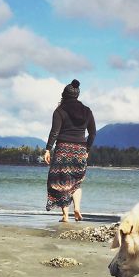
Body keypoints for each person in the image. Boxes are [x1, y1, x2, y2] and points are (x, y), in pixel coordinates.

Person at [44, 79, 96, 222]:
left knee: (62, 182)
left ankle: (65, 216)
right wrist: (87, 149)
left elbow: (54, 132)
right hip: (80, 149)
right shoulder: (87, 111)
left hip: (63, 150)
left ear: (64, 95)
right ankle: (77, 208)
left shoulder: (59, 111)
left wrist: (48, 149)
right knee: (76, 182)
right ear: (77, 95)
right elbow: (92, 133)